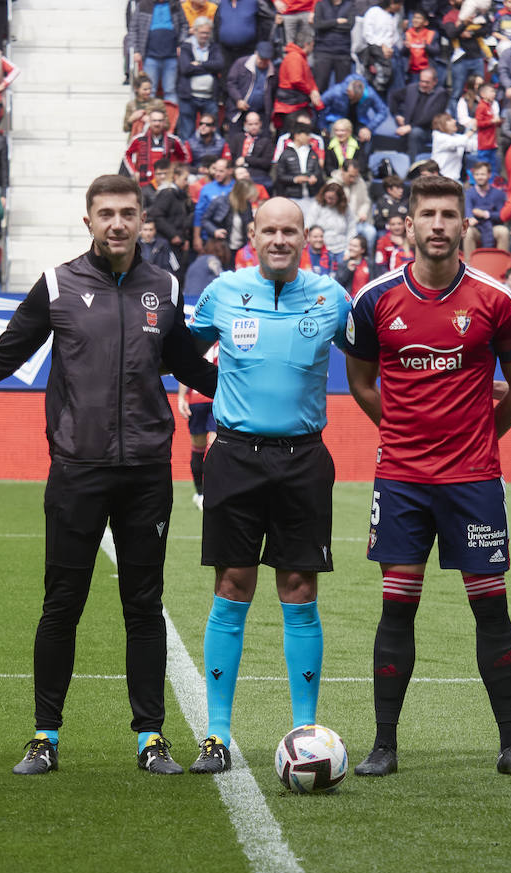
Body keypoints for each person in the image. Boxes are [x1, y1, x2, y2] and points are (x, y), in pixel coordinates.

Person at [0, 174, 217, 776]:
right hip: (77, 468)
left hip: (148, 473)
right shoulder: (57, 283)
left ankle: (150, 738)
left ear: (142, 221)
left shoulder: (165, 286)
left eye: (127, 213)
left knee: (144, 606)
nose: (117, 224)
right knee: (62, 604)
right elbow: (3, 355)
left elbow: (185, 365)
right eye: (106, 214)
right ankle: (44, 736)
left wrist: (255, 388)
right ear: (88, 221)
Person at [341, 173, 511, 780]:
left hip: (473, 480)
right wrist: (404, 430)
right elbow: (359, 383)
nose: (436, 225)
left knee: (491, 608)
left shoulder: (496, 300)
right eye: (425, 214)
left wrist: (479, 437)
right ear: (407, 224)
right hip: (402, 479)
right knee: (397, 608)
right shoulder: (374, 300)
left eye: (447, 215)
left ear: (464, 225)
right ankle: (384, 745)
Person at [178, 198, 348, 775]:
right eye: (269, 230)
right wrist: (219, 382)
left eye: (290, 231)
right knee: (232, 582)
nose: (279, 239)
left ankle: (305, 728)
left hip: (303, 459)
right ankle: (217, 734)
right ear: (252, 235)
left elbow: (375, 357)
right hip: (235, 458)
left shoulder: (333, 297)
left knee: (300, 587)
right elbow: (180, 349)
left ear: (306, 237)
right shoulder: (224, 290)